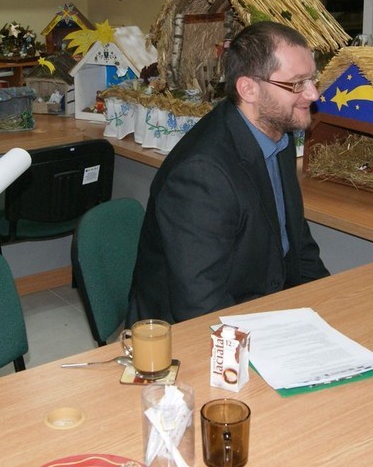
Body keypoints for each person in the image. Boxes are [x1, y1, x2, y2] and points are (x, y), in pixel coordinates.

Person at [127, 21, 330, 324]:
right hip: (194, 329)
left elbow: (297, 241)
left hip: (260, 305)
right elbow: (200, 304)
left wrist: (330, 304)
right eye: (297, 84)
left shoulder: (278, 134)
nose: (313, 94)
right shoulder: (201, 174)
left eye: (312, 79)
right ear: (248, 89)